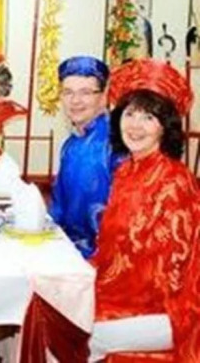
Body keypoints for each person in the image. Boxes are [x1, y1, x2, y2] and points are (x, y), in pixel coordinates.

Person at [89, 58, 199, 361]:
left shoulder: (174, 181)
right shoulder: (126, 172)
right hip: (120, 296)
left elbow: (170, 278)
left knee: (75, 335)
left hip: (170, 312)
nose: (135, 126)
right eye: (130, 113)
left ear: (165, 127)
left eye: (149, 117)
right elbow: (112, 252)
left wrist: (105, 302)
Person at [49, 56, 121, 258]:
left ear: (104, 96)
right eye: (68, 92)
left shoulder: (116, 142)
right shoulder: (71, 144)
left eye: (86, 92)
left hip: (101, 258)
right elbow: (59, 206)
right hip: (67, 250)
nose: (75, 101)